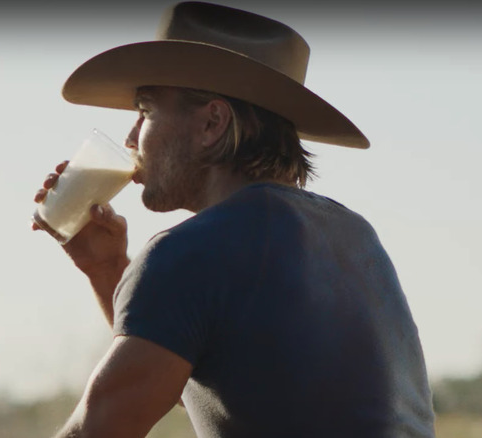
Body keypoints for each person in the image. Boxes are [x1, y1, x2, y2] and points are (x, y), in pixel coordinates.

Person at [33, 2, 436, 437]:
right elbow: (199, 379)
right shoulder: (356, 235)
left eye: (145, 110)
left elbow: (97, 431)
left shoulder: (190, 251)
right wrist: (106, 268)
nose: (132, 137)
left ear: (211, 123)